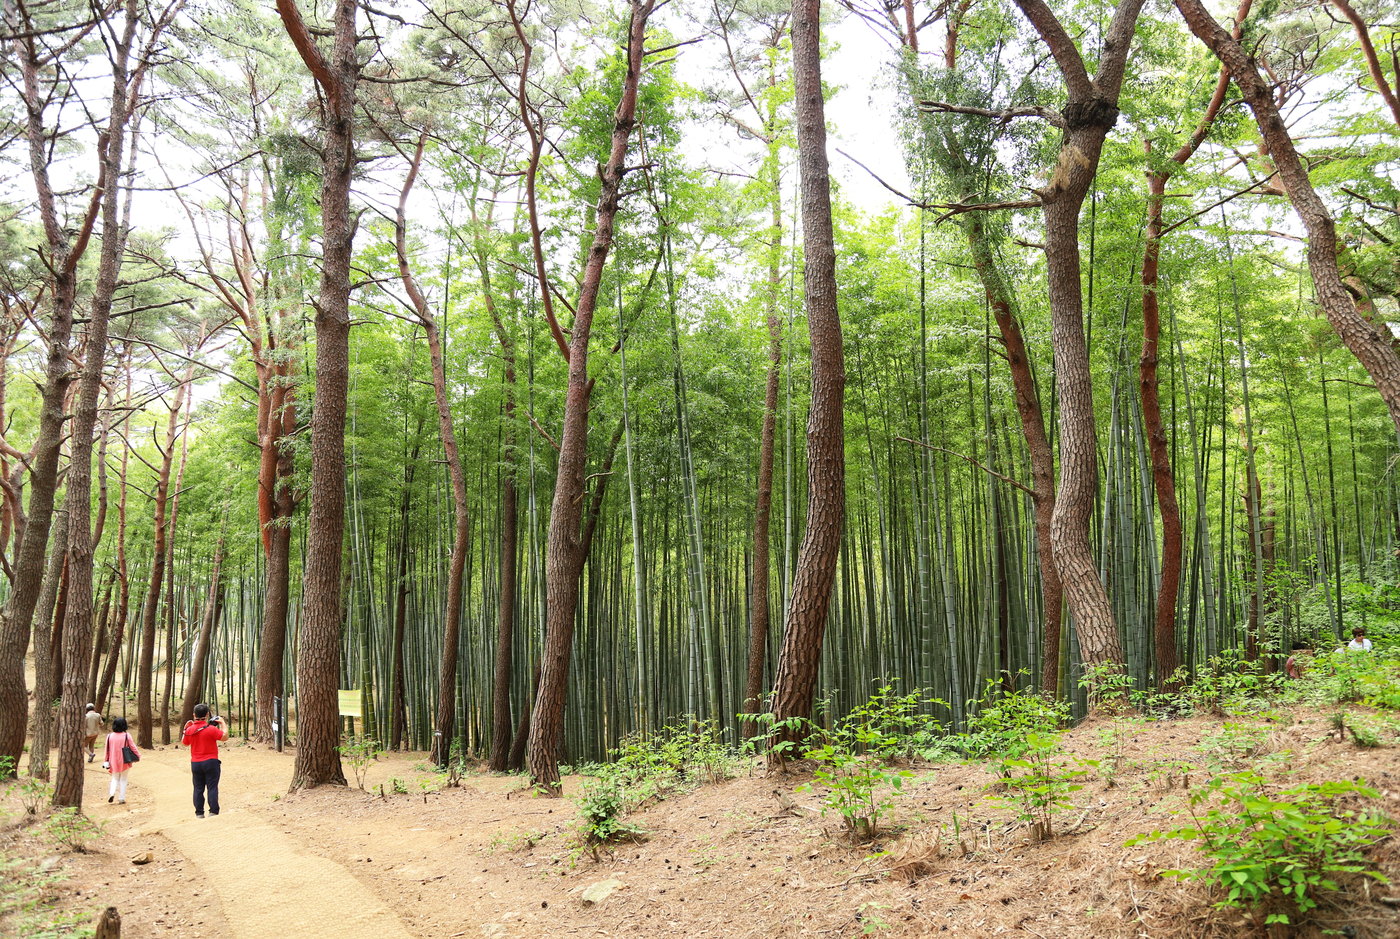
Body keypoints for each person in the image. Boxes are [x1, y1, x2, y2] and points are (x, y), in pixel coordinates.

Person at [181, 703, 227, 818]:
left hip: (196, 763)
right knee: (212, 787)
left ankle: (199, 813)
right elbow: (224, 737)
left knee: (198, 788)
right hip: (211, 761)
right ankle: (213, 811)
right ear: (207, 715)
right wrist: (222, 723)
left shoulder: (190, 730)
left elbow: (185, 743)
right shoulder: (211, 729)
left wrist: (185, 729)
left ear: (194, 715)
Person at [102, 717, 139, 804]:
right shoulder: (126, 735)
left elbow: (106, 749)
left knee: (114, 778)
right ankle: (121, 798)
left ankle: (112, 793)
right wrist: (137, 755)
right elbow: (132, 747)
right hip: (125, 760)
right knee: (123, 779)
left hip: (113, 760)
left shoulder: (109, 736)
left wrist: (106, 760)